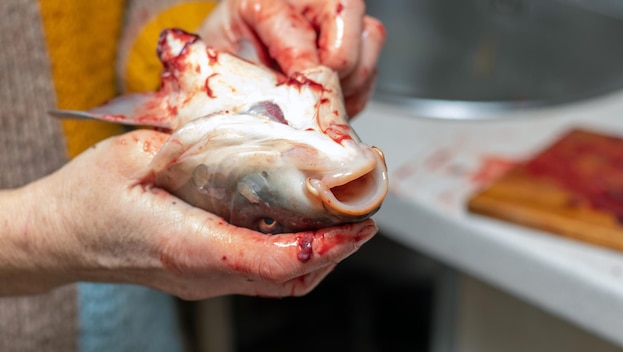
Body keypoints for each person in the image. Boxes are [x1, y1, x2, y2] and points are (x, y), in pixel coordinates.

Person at [0, 0, 385, 350]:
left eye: (269, 218)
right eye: (268, 218)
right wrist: (44, 232)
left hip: (135, 308)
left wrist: (201, 31)